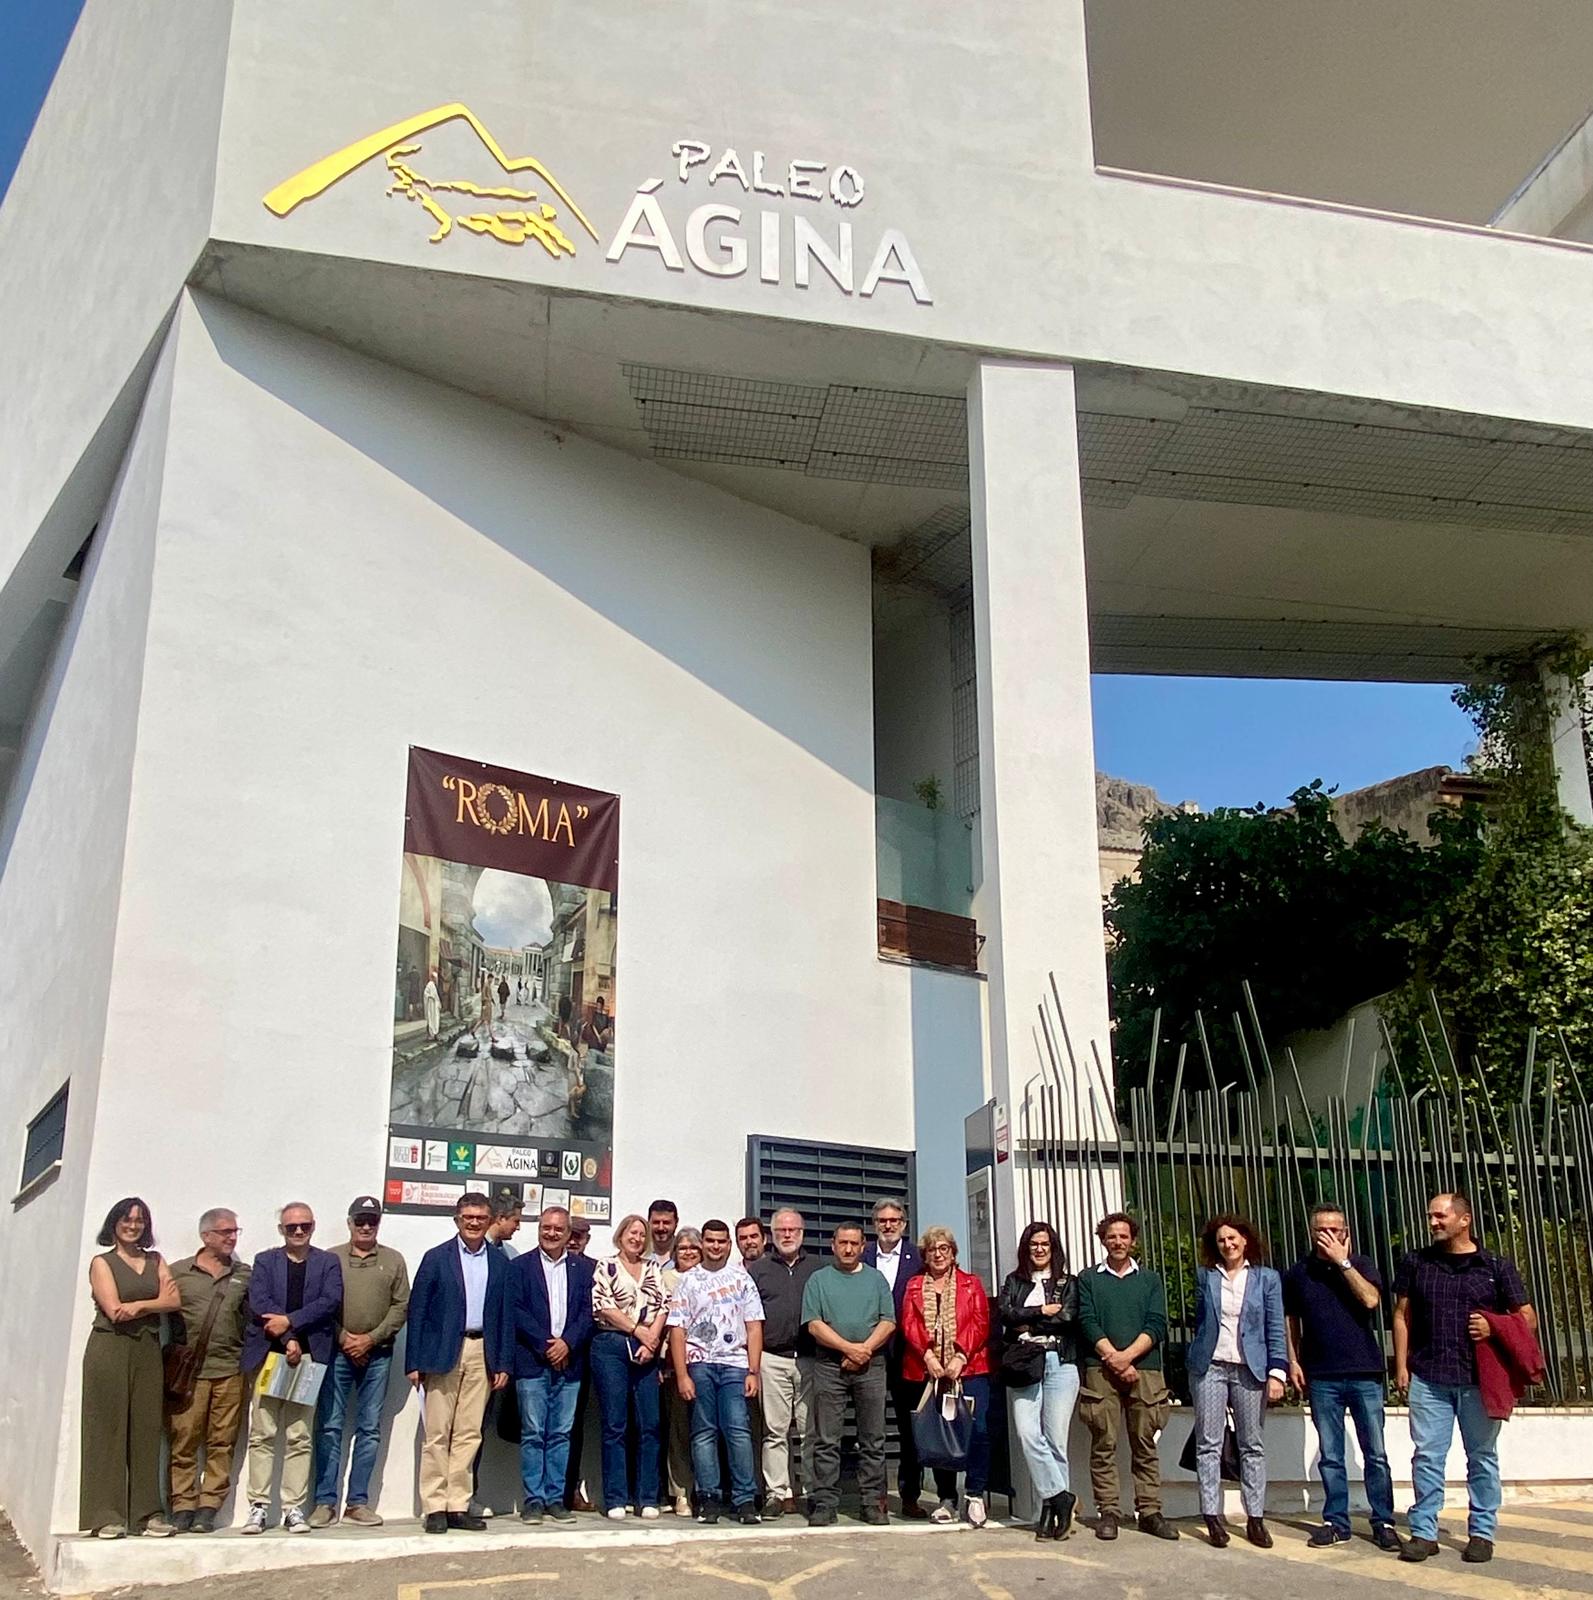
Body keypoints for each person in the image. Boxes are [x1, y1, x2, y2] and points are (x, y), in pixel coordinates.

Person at [1393, 1191, 1536, 1566]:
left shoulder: (1495, 1266)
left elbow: (1527, 1317)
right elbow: (1401, 1315)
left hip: (1478, 1380)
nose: (1433, 1222)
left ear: (1464, 1219)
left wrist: (1493, 1325)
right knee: (1427, 1457)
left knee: (1482, 1457)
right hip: (1429, 1376)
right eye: (1431, 1216)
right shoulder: (1417, 1262)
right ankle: (1424, 1532)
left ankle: (1482, 1533)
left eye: (1440, 1216)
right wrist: (1401, 1365)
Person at [1283, 1204, 1399, 1551]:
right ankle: (1336, 1521)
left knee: (1375, 1453)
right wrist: (1293, 1360)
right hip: (1322, 1374)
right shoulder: (1299, 1273)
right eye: (1321, 1230)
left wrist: (1343, 1262)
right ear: (1311, 1233)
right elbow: (1290, 1320)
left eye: (1334, 1230)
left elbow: (1371, 1300)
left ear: (1345, 1233)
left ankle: (1383, 1522)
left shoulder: (1362, 1264)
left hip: (1364, 1371)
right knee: (1331, 1455)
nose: (1328, 1236)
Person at [407, 1192, 514, 1534]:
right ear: (457, 1220)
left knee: (469, 1433)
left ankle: (457, 1505)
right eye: (468, 1217)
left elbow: (506, 1316)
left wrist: (503, 1363)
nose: (474, 1223)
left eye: (480, 1218)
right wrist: (413, 1361)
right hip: (442, 1354)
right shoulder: (436, 1258)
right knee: (438, 1432)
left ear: (489, 1221)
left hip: (482, 1352)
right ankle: (434, 1506)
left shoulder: (500, 1263)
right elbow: (417, 1311)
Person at [80, 1197, 181, 1538]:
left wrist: (138, 1306)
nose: (133, 1225)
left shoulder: (155, 1260)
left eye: (139, 1220)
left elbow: (174, 1300)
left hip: (147, 1348)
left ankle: (147, 1514)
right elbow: (113, 1310)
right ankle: (105, 1515)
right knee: (107, 1429)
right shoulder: (102, 1262)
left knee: (146, 1429)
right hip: (110, 1347)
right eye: (127, 1219)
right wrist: (152, 1303)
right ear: (114, 1223)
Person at [239, 1202, 342, 1535]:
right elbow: (260, 1302)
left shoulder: (327, 1262)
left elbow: (329, 1302)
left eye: (304, 1226)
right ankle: (258, 1506)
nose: (298, 1231)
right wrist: (289, 1339)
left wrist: (290, 1323)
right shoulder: (265, 1261)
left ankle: (293, 1508)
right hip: (271, 1357)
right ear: (281, 1230)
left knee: (300, 1435)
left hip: (308, 1359)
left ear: (313, 1226)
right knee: (263, 1433)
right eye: (291, 1227)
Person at [1076, 1211, 1177, 1541]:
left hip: (1144, 1369)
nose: (1117, 1242)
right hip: (1100, 1369)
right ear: (1102, 1240)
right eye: (1111, 1236)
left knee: (1144, 1443)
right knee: (1103, 1442)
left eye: (1123, 1236)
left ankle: (1149, 1511)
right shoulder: (1088, 1279)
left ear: (1133, 1241)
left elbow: (1157, 1323)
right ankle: (1108, 1511)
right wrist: (1113, 1358)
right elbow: (1087, 1321)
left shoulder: (1150, 1280)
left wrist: (1127, 1356)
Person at [1188, 1214, 1287, 1549]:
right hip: (1211, 1367)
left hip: (1250, 1369)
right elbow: (1201, 1320)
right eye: (1221, 1240)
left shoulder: (1266, 1278)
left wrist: (1277, 1372)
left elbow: (1275, 1327)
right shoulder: (1206, 1276)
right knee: (1208, 1443)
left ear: (1245, 1240)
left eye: (1232, 1238)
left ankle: (1255, 1517)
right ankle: (1211, 1515)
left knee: (1252, 1445)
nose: (1227, 1245)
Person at [312, 1196, 410, 1527]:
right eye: (360, 1220)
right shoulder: (330, 1258)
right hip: (337, 1352)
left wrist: (370, 1338)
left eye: (372, 1220)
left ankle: (357, 1503)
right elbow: (321, 1304)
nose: (366, 1226)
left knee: (369, 1428)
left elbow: (401, 1306)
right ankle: (324, 1502)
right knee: (330, 1426)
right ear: (349, 1222)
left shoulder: (394, 1260)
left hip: (378, 1353)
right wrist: (344, 1338)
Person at [667, 1217, 764, 1524]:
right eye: (710, 1240)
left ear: (729, 1244)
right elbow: (677, 1331)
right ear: (703, 1243)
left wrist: (753, 1371)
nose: (716, 1246)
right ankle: (709, 1499)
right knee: (703, 1432)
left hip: (735, 1366)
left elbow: (754, 1327)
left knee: (738, 1432)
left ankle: (745, 1500)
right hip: (700, 1366)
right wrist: (682, 1375)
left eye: (721, 1241)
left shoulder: (742, 1279)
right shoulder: (688, 1281)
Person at [803, 1222, 895, 1527]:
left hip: (871, 1364)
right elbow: (814, 1324)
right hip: (829, 1364)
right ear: (833, 1245)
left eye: (854, 1243)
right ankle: (825, 1503)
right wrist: (848, 1349)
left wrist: (864, 1350)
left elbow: (888, 1321)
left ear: (863, 1246)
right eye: (842, 1243)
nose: (848, 1249)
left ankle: (872, 1503)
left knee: (873, 1438)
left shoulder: (876, 1279)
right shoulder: (819, 1280)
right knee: (826, 1439)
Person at [167, 1208, 253, 1533]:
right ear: (206, 1236)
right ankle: (182, 1504)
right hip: (190, 1374)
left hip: (230, 1370)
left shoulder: (244, 1274)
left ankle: (209, 1506)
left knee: (222, 1441)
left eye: (235, 1231)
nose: (232, 1237)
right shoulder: (178, 1272)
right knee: (184, 1440)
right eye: (225, 1231)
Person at [900, 1225, 991, 1526]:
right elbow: (909, 1323)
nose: (938, 1254)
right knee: (940, 1431)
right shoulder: (914, 1285)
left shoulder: (971, 1284)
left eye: (944, 1249)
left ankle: (974, 1494)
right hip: (928, 1371)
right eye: (932, 1250)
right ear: (924, 1255)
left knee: (977, 1431)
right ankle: (947, 1499)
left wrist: (960, 1356)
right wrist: (928, 1356)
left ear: (953, 1253)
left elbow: (980, 1322)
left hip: (970, 1368)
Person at [510, 1206, 595, 1523]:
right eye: (546, 1227)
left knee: (561, 1433)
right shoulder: (520, 1267)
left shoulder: (584, 1269)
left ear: (568, 1233)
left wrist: (567, 1343)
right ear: (539, 1228)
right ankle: (533, 1500)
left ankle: (555, 1499)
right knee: (533, 1433)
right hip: (533, 1362)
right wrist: (547, 1345)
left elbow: (589, 1312)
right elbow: (517, 1310)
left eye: (559, 1229)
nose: (551, 1233)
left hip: (570, 1363)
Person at [998, 1221, 1081, 1541]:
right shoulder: (1014, 1280)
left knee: (1056, 1440)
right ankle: (1061, 1497)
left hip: (1060, 1362)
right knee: (1027, 1433)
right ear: (1026, 1248)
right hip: (1024, 1363)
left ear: (1053, 1247)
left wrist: (1027, 1319)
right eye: (1033, 1244)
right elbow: (1005, 1315)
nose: (1039, 1249)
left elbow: (1068, 1318)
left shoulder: (1068, 1283)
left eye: (1045, 1244)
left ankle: (1052, 1513)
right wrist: (1042, 1310)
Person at [590, 1213, 669, 1518]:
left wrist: (651, 1341)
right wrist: (638, 1331)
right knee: (615, 1425)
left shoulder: (653, 1268)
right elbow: (603, 1305)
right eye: (631, 1233)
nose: (636, 1238)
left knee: (650, 1424)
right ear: (621, 1236)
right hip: (611, 1345)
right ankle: (615, 1498)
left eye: (640, 1234)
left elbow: (664, 1305)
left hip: (647, 1347)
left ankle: (647, 1497)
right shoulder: (606, 1265)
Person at [747, 1208, 820, 1518]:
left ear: (802, 1233)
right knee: (774, 1432)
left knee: (810, 1431)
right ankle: (777, 1493)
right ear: (772, 1235)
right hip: (772, 1358)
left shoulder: (819, 1268)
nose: (787, 1235)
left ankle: (814, 1492)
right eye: (781, 1230)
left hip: (809, 1359)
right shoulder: (759, 1270)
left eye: (793, 1230)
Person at [863, 1197, 925, 1517]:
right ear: (875, 1224)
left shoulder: (919, 1258)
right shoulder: (862, 1255)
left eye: (894, 1220)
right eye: (882, 1221)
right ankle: (875, 1496)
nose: (888, 1226)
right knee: (870, 1428)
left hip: (908, 1353)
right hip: (869, 1351)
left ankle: (910, 1495)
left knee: (909, 1429)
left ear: (903, 1224)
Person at [469, 1193, 526, 1518]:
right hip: (465, 1350)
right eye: (515, 1221)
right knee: (456, 1430)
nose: (518, 1228)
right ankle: (451, 1496)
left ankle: (469, 1493)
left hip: (492, 1358)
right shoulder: (466, 1254)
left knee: (477, 1428)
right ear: (500, 1218)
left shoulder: (508, 1258)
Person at [659, 1228, 702, 1515]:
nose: (687, 1252)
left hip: (708, 1363)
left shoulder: (712, 1277)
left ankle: (707, 1489)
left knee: (705, 1430)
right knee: (679, 1431)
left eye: (693, 1248)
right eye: (682, 1248)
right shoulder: (666, 1279)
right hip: (674, 1365)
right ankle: (681, 1492)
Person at [561, 1213, 596, 1513]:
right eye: (570, 1235)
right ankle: (544, 1494)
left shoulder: (595, 1269)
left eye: (579, 1236)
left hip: (580, 1359)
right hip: (544, 1355)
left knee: (573, 1428)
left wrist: (570, 1343)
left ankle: (570, 1489)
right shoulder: (545, 1264)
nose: (573, 1241)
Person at [646, 1199, 679, 1266]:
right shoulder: (639, 1252)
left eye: (666, 1223)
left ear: (676, 1223)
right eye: (656, 1222)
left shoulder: (685, 1253)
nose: (661, 1228)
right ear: (648, 1222)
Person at [424, 969, 441, 1040]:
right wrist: (430, 996)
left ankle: (435, 1034)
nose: (436, 979)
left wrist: (439, 1003)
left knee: (436, 1019)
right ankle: (431, 1035)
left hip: (435, 1006)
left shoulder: (434, 985)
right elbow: (425, 993)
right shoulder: (430, 984)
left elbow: (436, 996)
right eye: (435, 978)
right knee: (431, 1019)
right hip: (431, 1005)